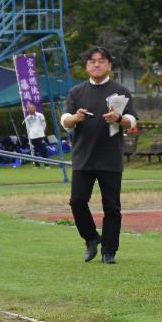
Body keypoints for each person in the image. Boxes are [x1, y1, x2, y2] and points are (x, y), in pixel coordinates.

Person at [60, 47, 138, 264]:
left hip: (110, 158)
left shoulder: (121, 91)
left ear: (109, 65)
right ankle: (91, 238)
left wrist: (119, 118)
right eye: (92, 61)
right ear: (86, 65)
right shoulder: (77, 92)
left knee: (112, 206)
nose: (96, 64)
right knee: (77, 202)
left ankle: (109, 251)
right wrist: (75, 118)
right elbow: (65, 120)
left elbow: (132, 121)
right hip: (83, 157)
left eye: (101, 61)